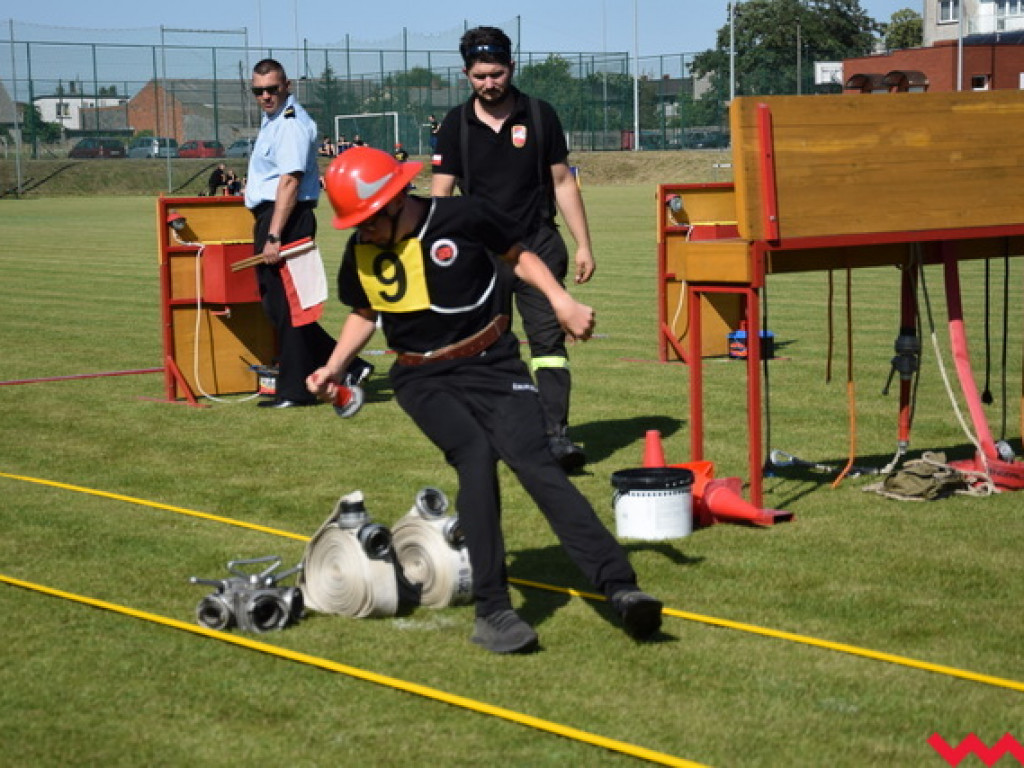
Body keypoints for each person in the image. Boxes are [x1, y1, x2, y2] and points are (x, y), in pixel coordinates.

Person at [308, 146, 663, 654]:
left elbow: (520, 257)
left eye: (365, 220)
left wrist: (562, 302)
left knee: (537, 465)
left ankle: (621, 589)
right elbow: (365, 312)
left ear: (393, 201)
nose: (359, 232)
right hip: (422, 378)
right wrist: (335, 366)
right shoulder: (361, 250)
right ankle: (493, 611)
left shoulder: (464, 216)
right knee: (474, 456)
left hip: (494, 365)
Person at [431, 26, 595, 472]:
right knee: (487, 347)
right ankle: (499, 432)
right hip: (480, 255)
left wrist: (583, 244)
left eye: (497, 73)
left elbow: (563, 182)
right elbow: (441, 195)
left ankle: (556, 436)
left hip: (539, 245)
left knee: (547, 344)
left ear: (511, 68)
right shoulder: (454, 125)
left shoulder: (540, 115)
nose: (490, 83)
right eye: (480, 75)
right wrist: (437, 253)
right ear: (466, 74)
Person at [244, 57, 372, 409]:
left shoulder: (290, 124)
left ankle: (295, 390)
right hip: (275, 217)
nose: (266, 96)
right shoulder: (273, 121)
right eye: (259, 91)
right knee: (279, 307)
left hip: (285, 218)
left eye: (272, 89)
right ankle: (349, 366)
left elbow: (290, 180)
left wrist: (273, 236)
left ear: (287, 86)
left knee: (289, 309)